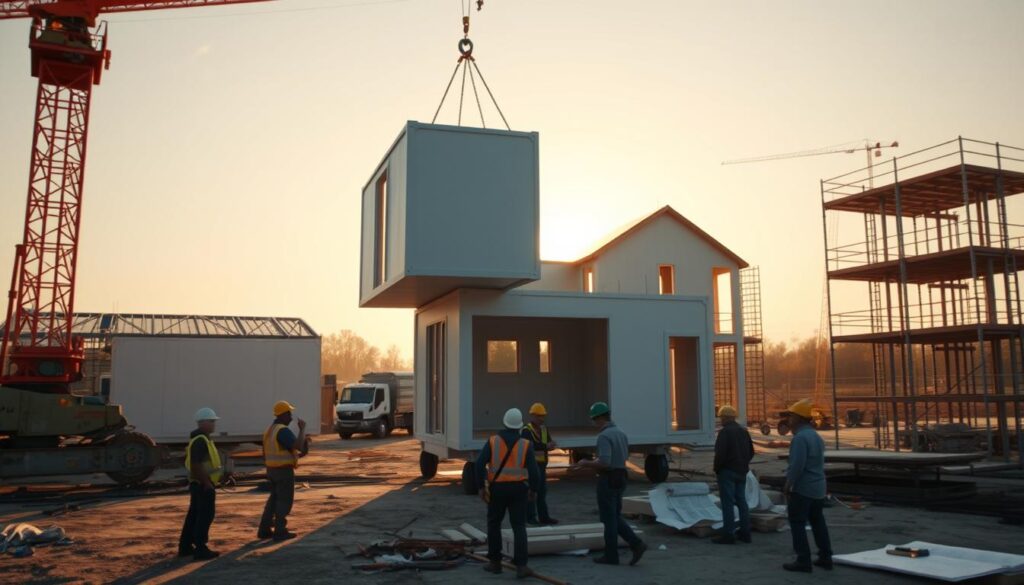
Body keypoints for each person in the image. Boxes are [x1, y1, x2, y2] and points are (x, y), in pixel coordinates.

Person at [570, 402, 646, 566]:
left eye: (593, 420)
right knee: (615, 516)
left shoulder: (604, 436)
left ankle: (613, 554)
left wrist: (586, 463)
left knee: (608, 519)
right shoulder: (620, 433)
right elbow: (623, 456)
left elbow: (605, 462)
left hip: (608, 478)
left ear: (599, 418)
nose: (593, 423)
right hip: (621, 476)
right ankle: (635, 544)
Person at [475, 407, 540, 579]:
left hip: (497, 489)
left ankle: (495, 563)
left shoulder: (493, 441)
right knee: (519, 526)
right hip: (519, 490)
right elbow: (535, 473)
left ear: (504, 423)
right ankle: (521, 566)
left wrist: (481, 487)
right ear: (519, 426)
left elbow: (478, 464)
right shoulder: (526, 445)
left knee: (494, 524)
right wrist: (533, 490)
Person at [783, 399, 834, 572]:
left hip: (803, 489)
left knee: (797, 522)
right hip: (818, 488)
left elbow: (797, 465)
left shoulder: (800, 438)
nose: (789, 419)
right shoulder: (815, 436)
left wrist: (789, 484)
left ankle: (803, 560)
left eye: (791, 416)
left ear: (798, 418)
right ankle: (825, 556)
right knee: (818, 522)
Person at [258, 400, 310, 541]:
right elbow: (298, 445)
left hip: (272, 470)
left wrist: (297, 456)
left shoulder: (269, 430)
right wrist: (302, 429)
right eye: (289, 413)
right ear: (283, 414)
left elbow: (270, 452)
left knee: (273, 500)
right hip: (283, 472)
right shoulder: (282, 430)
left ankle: (264, 530)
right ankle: (280, 531)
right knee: (284, 501)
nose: (291, 417)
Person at [179, 407, 224, 561]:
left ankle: (185, 547)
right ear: (202, 422)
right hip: (203, 485)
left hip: (199, 484)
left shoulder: (201, 439)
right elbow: (196, 464)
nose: (213, 424)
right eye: (211, 421)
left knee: (194, 515)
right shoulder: (200, 440)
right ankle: (200, 548)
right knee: (204, 516)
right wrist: (207, 483)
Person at [712, 404, 754, 545]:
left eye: (721, 418)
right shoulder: (743, 431)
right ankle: (745, 533)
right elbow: (751, 452)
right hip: (741, 471)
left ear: (724, 418)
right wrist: (743, 464)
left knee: (727, 503)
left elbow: (720, 454)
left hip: (727, 471)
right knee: (741, 501)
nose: (721, 420)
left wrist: (717, 469)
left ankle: (728, 534)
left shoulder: (725, 432)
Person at [523, 402, 558, 526]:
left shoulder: (544, 429)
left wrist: (551, 444)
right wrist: (545, 446)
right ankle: (531, 517)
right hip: (531, 466)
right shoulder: (526, 430)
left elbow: (547, 442)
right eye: (538, 416)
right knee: (532, 491)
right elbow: (529, 446)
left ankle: (544, 517)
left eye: (543, 416)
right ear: (532, 416)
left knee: (542, 492)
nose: (541, 418)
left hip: (542, 465)